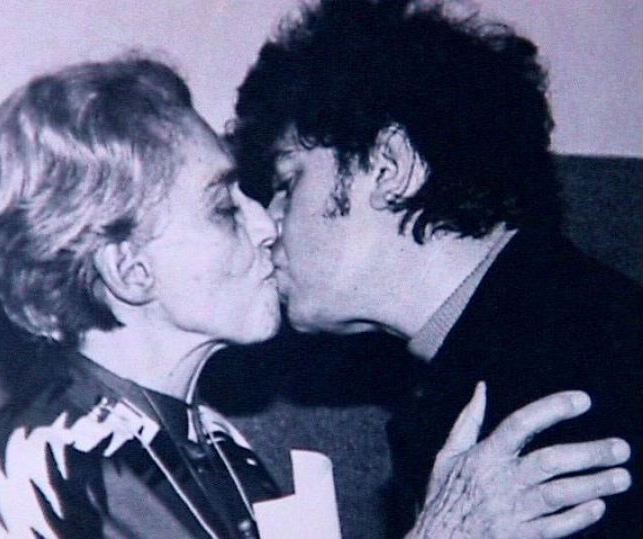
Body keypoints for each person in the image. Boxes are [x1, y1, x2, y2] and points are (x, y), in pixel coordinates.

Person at [0, 55, 626, 539]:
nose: (266, 224)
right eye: (223, 208)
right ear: (129, 268)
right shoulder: (30, 469)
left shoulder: (224, 452)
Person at [231, 0, 642, 537]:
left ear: (391, 167)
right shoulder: (544, 327)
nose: (268, 223)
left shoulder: (558, 382)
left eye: (289, 182)